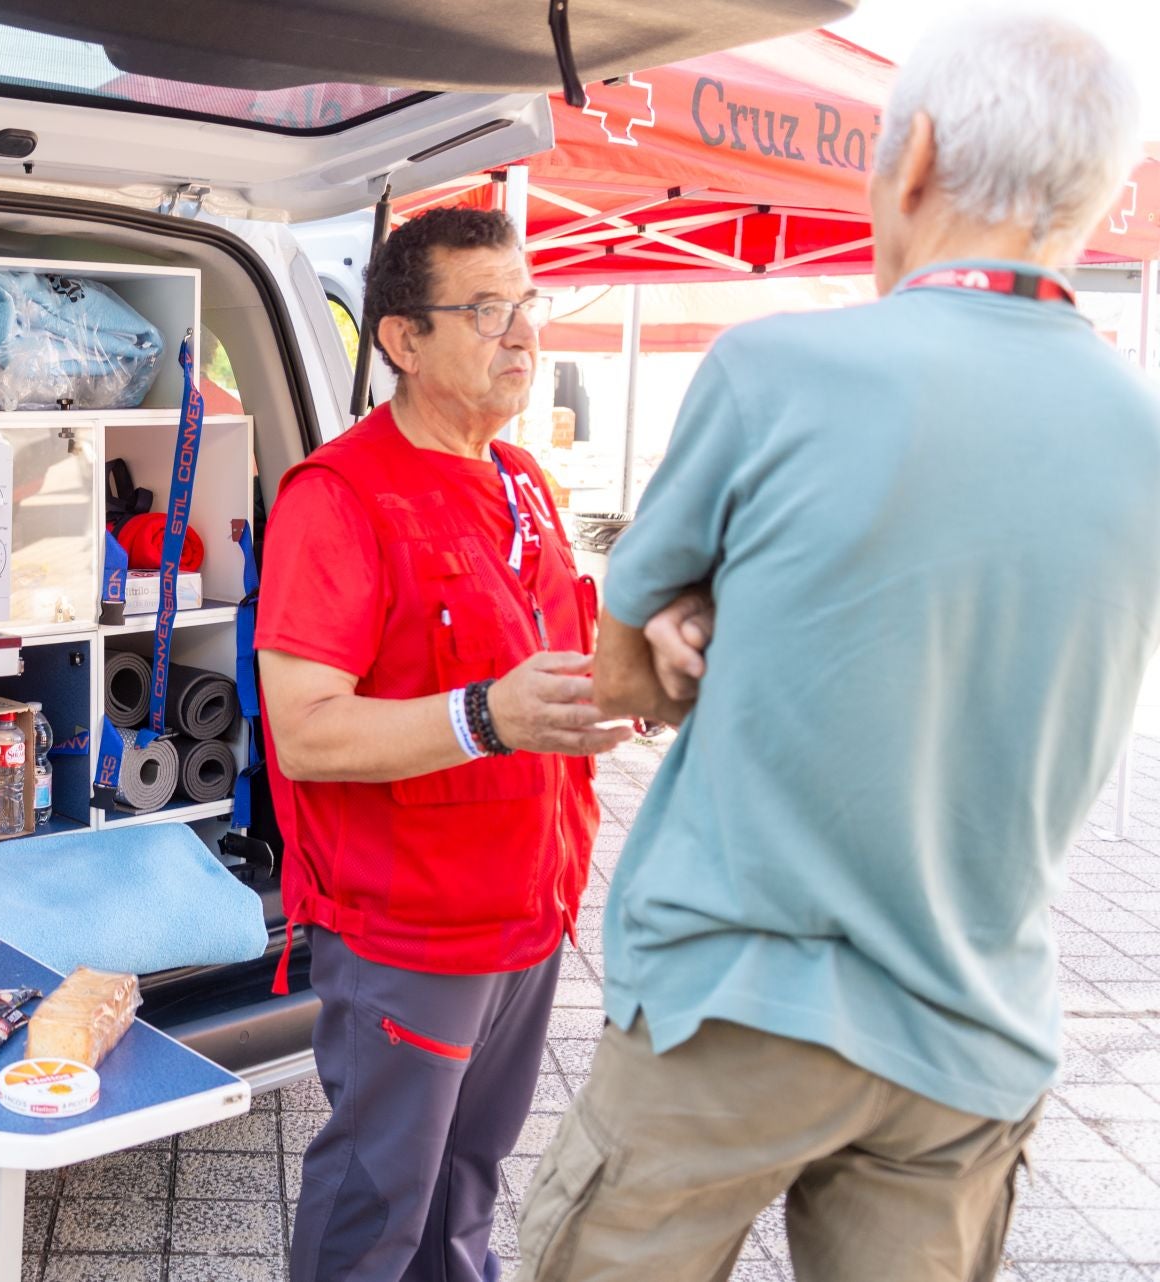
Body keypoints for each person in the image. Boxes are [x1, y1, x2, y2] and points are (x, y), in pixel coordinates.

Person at [511, 14, 1160, 1282]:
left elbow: (626, 669)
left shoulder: (777, 369)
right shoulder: (1142, 435)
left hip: (730, 1009)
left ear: (911, 159)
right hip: (973, 1037)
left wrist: (699, 637)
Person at [258, 207, 631, 1282]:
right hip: (408, 933)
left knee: (467, 1182)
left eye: (527, 305)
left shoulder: (522, 480)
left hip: (532, 912)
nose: (522, 335)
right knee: (378, 1195)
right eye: (486, 309)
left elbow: (558, 659)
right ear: (403, 340)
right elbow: (307, 732)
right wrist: (486, 718)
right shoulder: (339, 499)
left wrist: (648, 672)